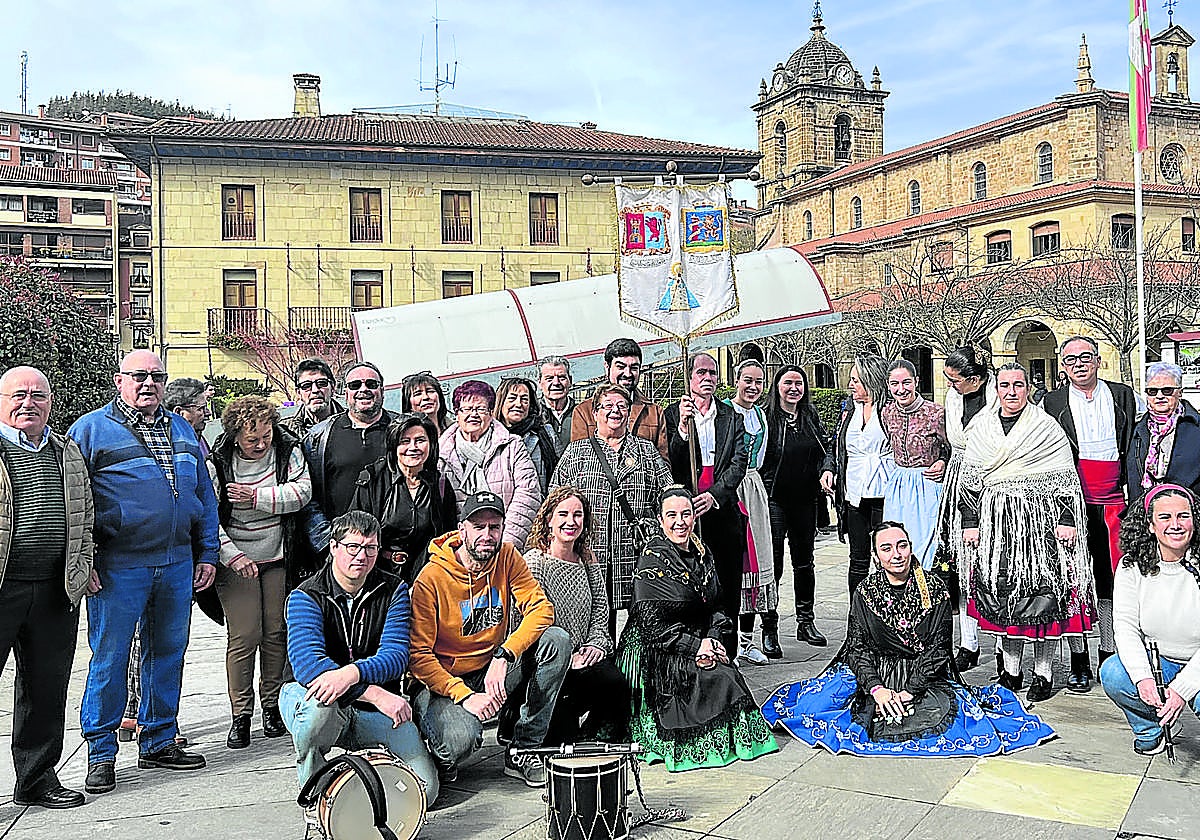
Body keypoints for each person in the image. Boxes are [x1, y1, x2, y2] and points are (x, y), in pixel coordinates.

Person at [761, 522, 1055, 757]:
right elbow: (857, 647)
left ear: (911, 547)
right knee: (826, 709)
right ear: (876, 556)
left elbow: (939, 648)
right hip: (876, 671)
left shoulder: (935, 588)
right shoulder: (865, 591)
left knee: (942, 718)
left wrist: (908, 691)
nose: (896, 554)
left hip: (923, 674)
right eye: (886, 548)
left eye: (902, 545)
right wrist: (877, 689)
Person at [68, 350, 217, 795]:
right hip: (119, 564)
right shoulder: (91, 430)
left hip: (176, 561)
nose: (148, 383)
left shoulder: (183, 429)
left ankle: (159, 740)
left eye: (157, 375)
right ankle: (101, 753)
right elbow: (75, 500)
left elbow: (204, 495)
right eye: (139, 375)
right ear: (119, 381)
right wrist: (86, 558)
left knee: (168, 652)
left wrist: (207, 551)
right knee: (111, 657)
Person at [409, 491, 570, 786]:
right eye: (478, 527)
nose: (487, 535)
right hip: (443, 682)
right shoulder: (430, 579)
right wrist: (464, 695)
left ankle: (524, 749)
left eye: (494, 527)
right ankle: (435, 749)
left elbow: (541, 610)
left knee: (556, 641)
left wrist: (505, 654)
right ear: (462, 530)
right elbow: (418, 657)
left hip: (491, 668)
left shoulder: (507, 557)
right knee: (460, 741)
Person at [280, 511, 440, 808]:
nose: (361, 556)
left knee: (425, 791)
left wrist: (350, 674)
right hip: (324, 699)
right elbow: (309, 666)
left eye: (370, 548)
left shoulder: (394, 590)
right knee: (318, 708)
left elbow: (395, 656)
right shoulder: (306, 595)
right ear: (333, 547)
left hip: (374, 709)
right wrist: (372, 692)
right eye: (353, 547)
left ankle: (366, 789)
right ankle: (316, 794)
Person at [615, 486, 778, 771]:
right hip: (657, 649)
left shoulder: (702, 552)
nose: (680, 522)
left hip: (697, 639)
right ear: (660, 520)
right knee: (717, 680)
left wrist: (713, 639)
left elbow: (717, 605)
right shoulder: (652, 559)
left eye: (686, 514)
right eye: (672, 515)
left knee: (728, 676)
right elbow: (652, 626)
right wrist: (695, 646)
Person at [961, 363, 1094, 704]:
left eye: (1018, 384)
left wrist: (1067, 519)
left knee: (1041, 599)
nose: (1011, 391)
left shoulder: (1046, 428)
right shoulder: (982, 427)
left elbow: (1065, 479)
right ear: (996, 389)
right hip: (995, 526)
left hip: (1041, 526)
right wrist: (970, 522)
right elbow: (969, 481)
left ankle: (1043, 673)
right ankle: (1011, 671)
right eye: (1004, 385)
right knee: (1003, 597)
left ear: (1028, 388)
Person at [0, 366, 97, 809]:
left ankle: (36, 780)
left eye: (38, 395)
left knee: (45, 689)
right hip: (4, 587)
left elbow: (85, 513)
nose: (28, 403)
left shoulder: (66, 450)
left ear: (51, 402)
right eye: (18, 394)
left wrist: (83, 563)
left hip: (56, 588)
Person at [207, 395, 313, 750]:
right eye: (252, 439)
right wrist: (232, 555)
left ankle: (271, 706)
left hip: (279, 553)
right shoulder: (219, 461)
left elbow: (301, 492)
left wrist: (256, 497)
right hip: (236, 555)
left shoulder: (287, 450)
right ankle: (241, 714)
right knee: (245, 634)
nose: (261, 444)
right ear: (235, 435)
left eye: (266, 436)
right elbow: (208, 516)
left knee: (276, 632)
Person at [120, 375, 212, 745]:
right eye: (201, 408)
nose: (206, 413)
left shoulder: (192, 439)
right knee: (141, 641)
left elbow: (203, 499)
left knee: (163, 644)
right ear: (182, 410)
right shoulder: (147, 436)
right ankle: (136, 714)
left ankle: (152, 724)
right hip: (138, 557)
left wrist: (206, 551)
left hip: (180, 554)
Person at [1042, 336, 1136, 691]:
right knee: (1073, 583)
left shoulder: (1123, 395)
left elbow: (1140, 439)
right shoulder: (1051, 403)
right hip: (1070, 506)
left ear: (1098, 360)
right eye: (1070, 359)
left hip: (1115, 504)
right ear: (1063, 366)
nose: (1079, 364)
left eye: (1085, 357)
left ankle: (1110, 653)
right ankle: (1079, 659)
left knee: (1112, 583)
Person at [550, 383, 672, 637]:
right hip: (591, 551)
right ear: (595, 413)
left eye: (622, 406)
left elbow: (668, 496)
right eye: (607, 406)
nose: (615, 411)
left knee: (641, 625)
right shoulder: (576, 452)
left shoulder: (646, 451)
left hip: (636, 551)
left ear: (629, 412)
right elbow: (555, 500)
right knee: (596, 623)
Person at [523, 487, 631, 743]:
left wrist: (596, 644)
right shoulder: (535, 562)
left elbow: (601, 608)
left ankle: (597, 737)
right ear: (548, 519)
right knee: (560, 738)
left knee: (615, 682)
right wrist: (566, 657)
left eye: (578, 515)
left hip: (584, 655)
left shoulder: (587, 559)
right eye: (563, 514)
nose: (571, 522)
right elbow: (529, 620)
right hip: (547, 660)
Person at [1100, 484, 1200, 756]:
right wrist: (1143, 678)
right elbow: (1125, 627)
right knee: (1114, 673)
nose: (1175, 525)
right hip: (1161, 660)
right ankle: (1150, 729)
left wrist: (1182, 689)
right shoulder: (1131, 566)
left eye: (1183, 516)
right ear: (1150, 525)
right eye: (1165, 517)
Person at [665, 352, 748, 658]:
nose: (708, 378)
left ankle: (728, 652)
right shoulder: (673, 414)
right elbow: (671, 460)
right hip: (686, 509)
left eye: (713, 373)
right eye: (701, 372)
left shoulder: (731, 417)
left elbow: (739, 463)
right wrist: (683, 429)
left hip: (721, 507)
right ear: (689, 377)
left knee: (726, 583)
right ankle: (696, 649)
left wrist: (715, 495)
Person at [934, 346, 997, 673]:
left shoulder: (997, 396)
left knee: (995, 565)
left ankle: (1002, 646)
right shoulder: (953, 398)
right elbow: (948, 442)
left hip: (993, 476)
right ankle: (968, 642)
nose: (950, 385)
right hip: (958, 479)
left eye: (955, 379)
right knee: (961, 563)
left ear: (975, 379)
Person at [760, 365, 830, 650]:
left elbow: (826, 449)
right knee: (773, 565)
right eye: (787, 383)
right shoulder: (766, 417)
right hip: (775, 498)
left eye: (798, 383)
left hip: (805, 499)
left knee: (804, 563)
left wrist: (827, 469)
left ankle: (805, 621)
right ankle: (769, 627)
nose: (793, 388)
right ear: (777, 386)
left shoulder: (809, 416)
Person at [351, 412, 459, 582]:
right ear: (393, 445)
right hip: (379, 575)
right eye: (405, 441)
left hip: (427, 575)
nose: (413, 447)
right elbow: (355, 533)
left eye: (420, 440)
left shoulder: (440, 485)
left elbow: (449, 536)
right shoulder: (373, 479)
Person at [438, 380, 543, 550]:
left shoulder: (512, 445)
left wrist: (504, 544)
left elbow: (528, 493)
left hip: (507, 543)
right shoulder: (442, 453)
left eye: (480, 409)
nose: (473, 415)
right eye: (467, 409)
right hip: (461, 548)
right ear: (456, 414)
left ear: (491, 412)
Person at [821, 354, 894, 597]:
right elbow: (835, 445)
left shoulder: (890, 410)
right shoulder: (849, 409)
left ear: (871, 380)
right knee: (858, 560)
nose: (850, 385)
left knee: (887, 557)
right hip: (854, 494)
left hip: (884, 493)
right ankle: (857, 615)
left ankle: (888, 612)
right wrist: (829, 469)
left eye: (856, 380)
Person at [723, 360, 778, 666]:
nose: (753, 387)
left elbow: (763, 454)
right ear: (736, 380)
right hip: (730, 488)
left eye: (758, 381)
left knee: (756, 565)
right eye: (748, 380)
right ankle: (727, 640)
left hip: (753, 487)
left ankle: (747, 640)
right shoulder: (725, 411)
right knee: (734, 564)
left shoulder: (760, 415)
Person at [303, 361, 396, 523]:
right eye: (355, 385)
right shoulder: (318, 437)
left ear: (382, 391)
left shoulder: (402, 429)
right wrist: (325, 534)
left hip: (397, 535)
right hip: (342, 536)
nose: (363, 389)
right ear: (346, 393)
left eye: (371, 384)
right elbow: (310, 496)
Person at [881, 360, 948, 572]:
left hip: (927, 484)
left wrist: (942, 461)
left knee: (924, 545)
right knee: (894, 539)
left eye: (906, 382)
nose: (901, 389)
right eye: (895, 384)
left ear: (916, 381)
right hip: (899, 484)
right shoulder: (887, 412)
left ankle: (924, 587)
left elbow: (952, 447)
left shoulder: (936, 413)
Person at [570, 338, 669, 459]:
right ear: (607, 367)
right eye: (621, 367)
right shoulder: (584, 412)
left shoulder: (654, 413)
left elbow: (663, 463)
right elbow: (578, 460)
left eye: (634, 368)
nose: (628, 374)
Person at [1127, 362, 1200, 497]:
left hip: (1187, 504)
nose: (1159, 396)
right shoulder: (1137, 428)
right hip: (1145, 503)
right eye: (1152, 391)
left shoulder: (1195, 426)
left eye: (1167, 390)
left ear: (1180, 392)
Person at [496, 377, 559, 494]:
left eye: (524, 399)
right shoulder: (490, 437)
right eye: (512, 398)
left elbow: (560, 475)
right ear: (501, 402)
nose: (518, 404)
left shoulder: (546, 433)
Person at [282, 358, 344, 438]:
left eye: (321, 383)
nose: (315, 390)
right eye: (306, 385)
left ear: (332, 387)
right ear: (298, 393)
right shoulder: (285, 431)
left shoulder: (353, 422)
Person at [537, 356, 576, 457]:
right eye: (549, 378)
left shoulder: (582, 413)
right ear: (540, 383)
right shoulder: (533, 415)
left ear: (570, 381)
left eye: (562, 377)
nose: (556, 383)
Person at [164, 377, 212, 458]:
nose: (208, 413)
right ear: (178, 412)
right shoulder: (168, 448)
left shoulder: (200, 439)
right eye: (201, 408)